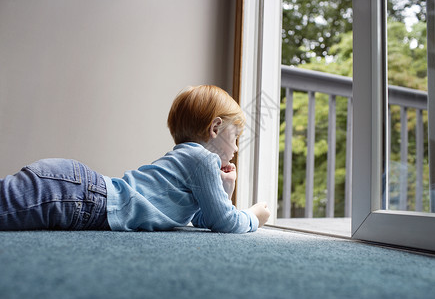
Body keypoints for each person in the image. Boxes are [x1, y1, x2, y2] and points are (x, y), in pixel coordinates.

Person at [0, 85, 270, 233]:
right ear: (215, 128)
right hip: (80, 195)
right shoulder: (202, 159)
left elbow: (204, 219)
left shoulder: (188, 159)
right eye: (235, 137)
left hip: (78, 188)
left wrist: (223, 189)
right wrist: (253, 216)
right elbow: (225, 223)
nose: (236, 148)